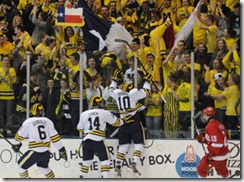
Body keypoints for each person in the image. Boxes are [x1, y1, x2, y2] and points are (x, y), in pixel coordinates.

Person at [109, 69, 151, 177]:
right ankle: (133, 164)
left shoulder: (117, 94)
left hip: (123, 122)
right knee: (139, 145)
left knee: (123, 146)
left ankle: (117, 166)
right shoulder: (133, 94)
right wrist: (147, 81)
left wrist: (114, 80)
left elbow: (111, 90)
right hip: (134, 122)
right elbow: (146, 92)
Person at [11, 103, 68, 178]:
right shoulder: (48, 121)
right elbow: (55, 137)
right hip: (46, 151)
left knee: (19, 167)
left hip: (35, 151)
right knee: (43, 168)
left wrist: (16, 144)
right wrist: (61, 149)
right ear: (42, 111)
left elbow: (19, 136)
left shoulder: (28, 121)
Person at [77, 96, 122, 178]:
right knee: (105, 162)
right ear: (99, 103)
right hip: (98, 140)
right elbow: (117, 123)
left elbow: (79, 128)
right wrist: (124, 119)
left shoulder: (84, 113)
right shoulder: (104, 112)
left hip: (86, 140)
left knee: (86, 163)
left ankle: (81, 177)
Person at [196, 106, 229, 178]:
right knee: (223, 172)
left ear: (209, 116)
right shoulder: (218, 124)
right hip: (224, 154)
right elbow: (216, 139)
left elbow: (218, 143)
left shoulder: (211, 126)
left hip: (217, 155)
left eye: (204, 115)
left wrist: (211, 155)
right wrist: (204, 139)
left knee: (201, 170)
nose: (203, 117)